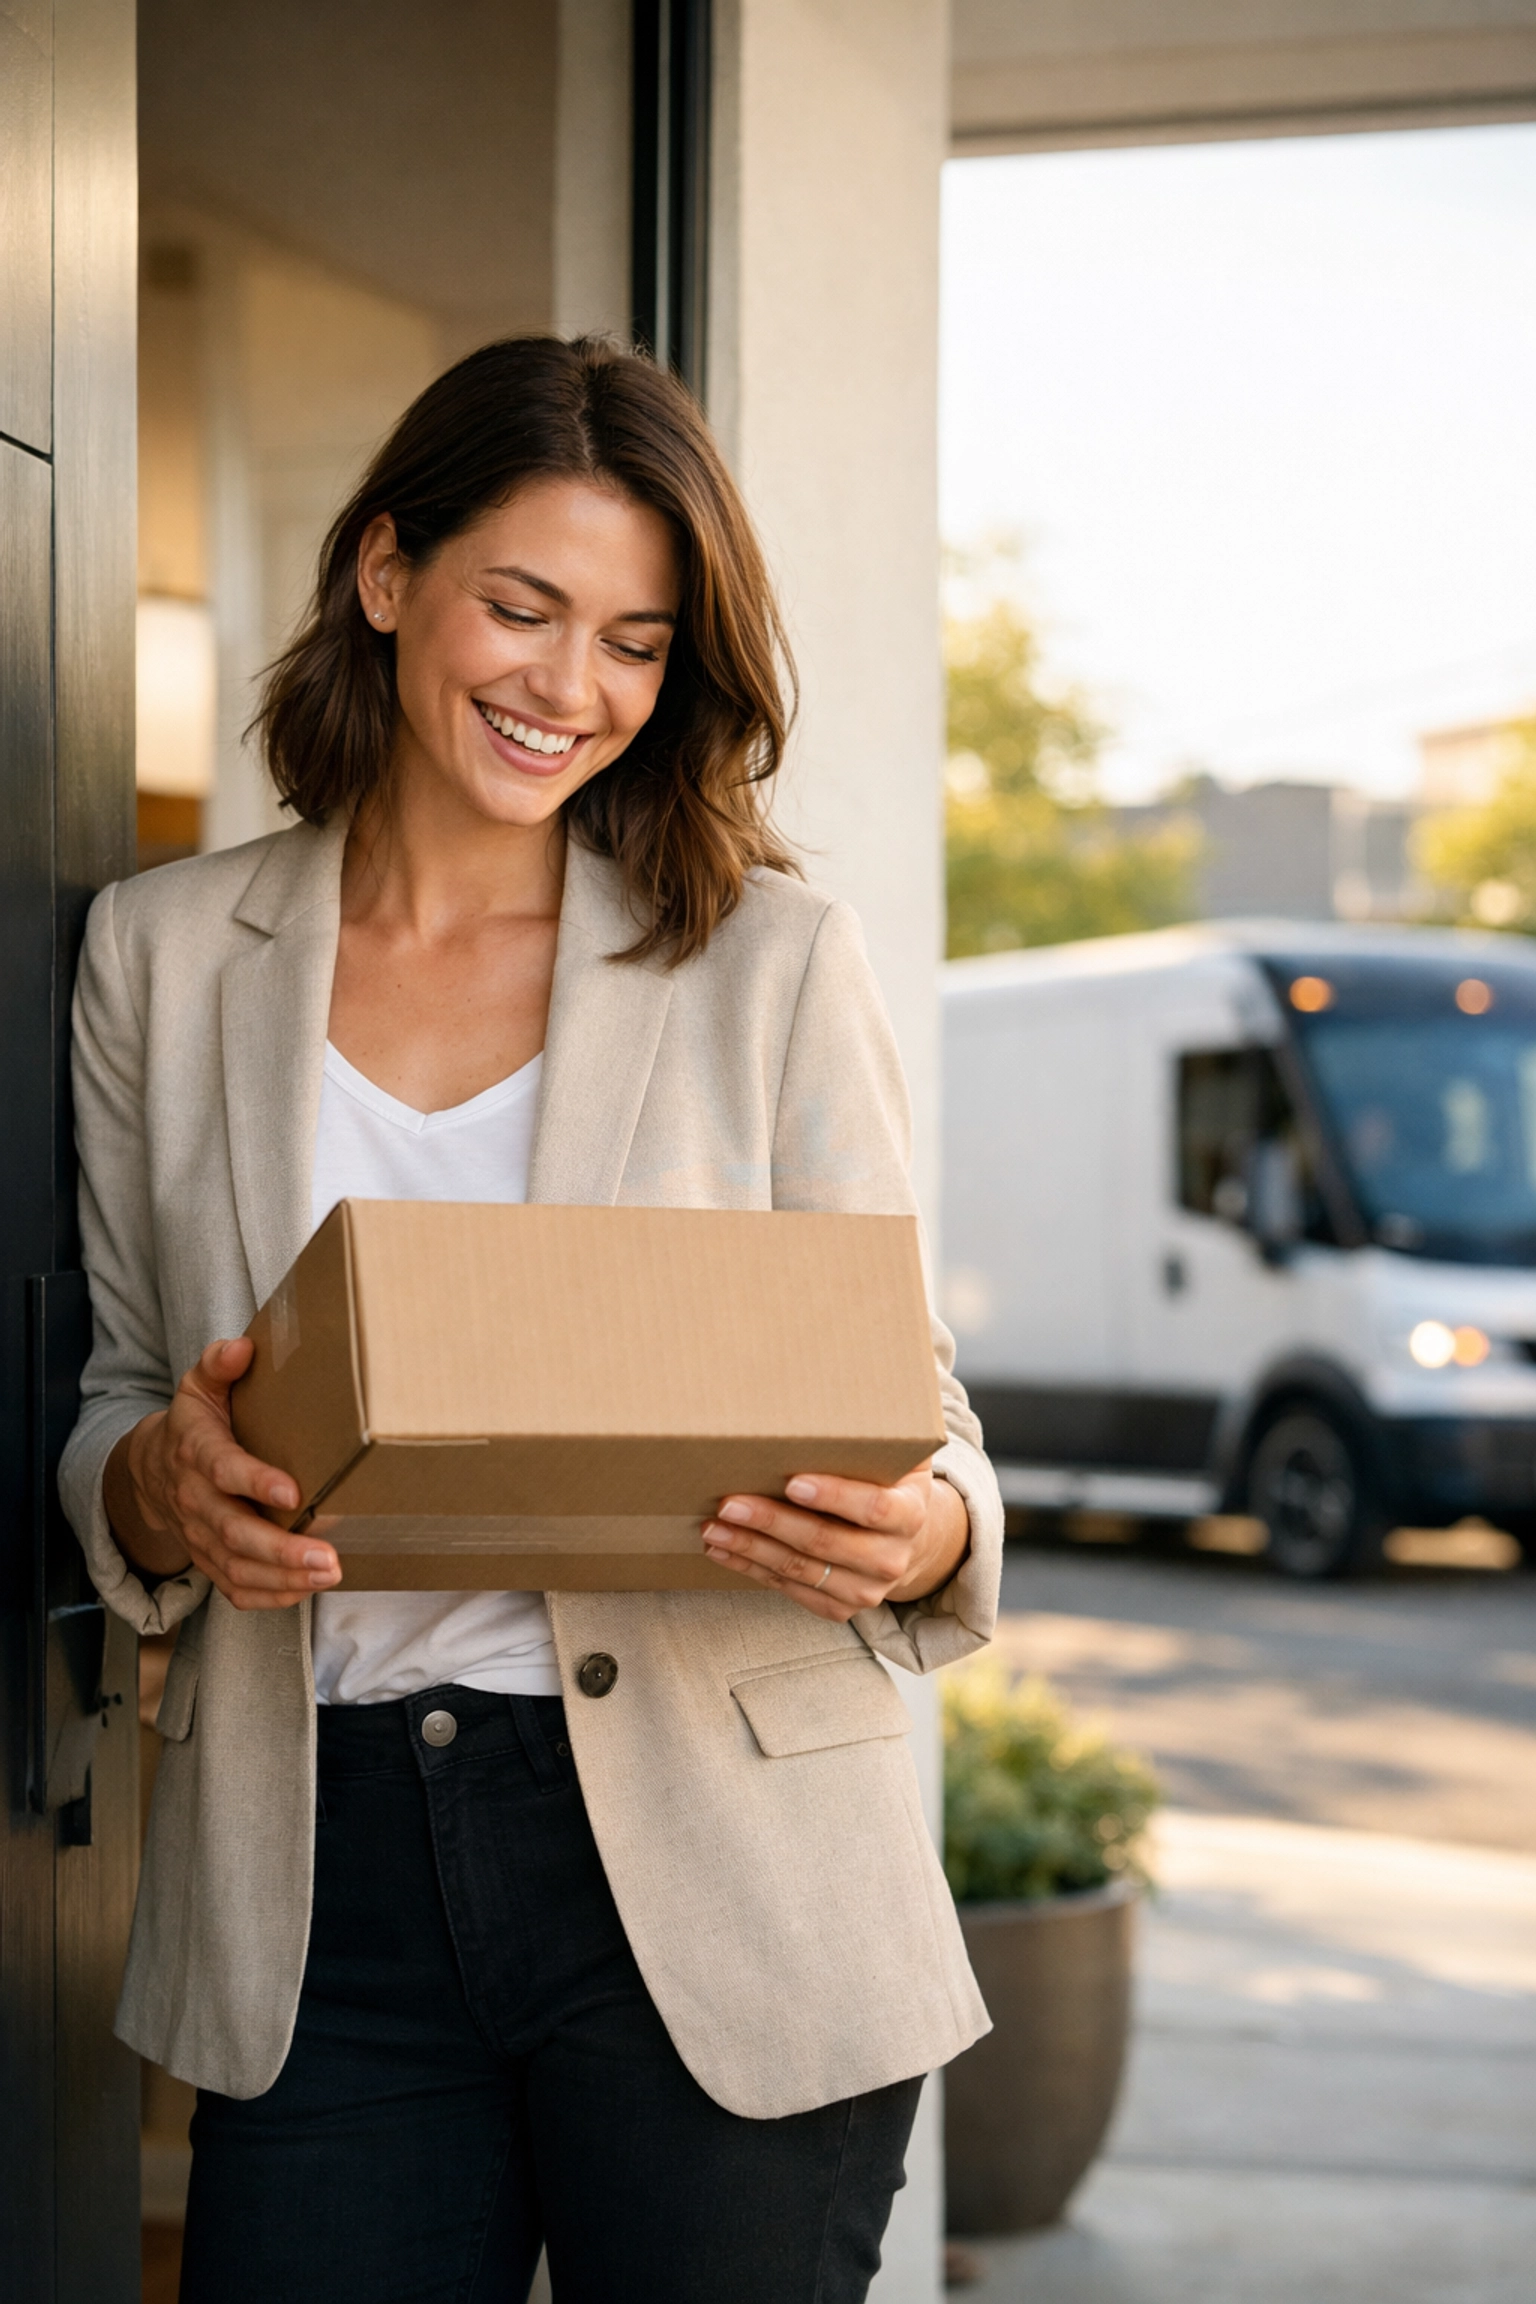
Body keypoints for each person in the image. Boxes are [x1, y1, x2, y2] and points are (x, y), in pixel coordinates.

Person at [61, 336, 1003, 2304]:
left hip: (719, 1871)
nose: (571, 687)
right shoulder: (160, 958)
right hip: (321, 1889)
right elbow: (127, 1401)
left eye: (638, 642)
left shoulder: (768, 958)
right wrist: (163, 1485)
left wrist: (920, 1533)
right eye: (524, 606)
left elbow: (916, 1415)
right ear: (389, 574)